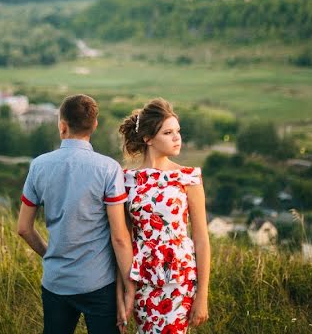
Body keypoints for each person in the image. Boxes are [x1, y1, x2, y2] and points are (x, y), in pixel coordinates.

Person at [17, 93, 135, 334]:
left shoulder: (39, 165)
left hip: (56, 281)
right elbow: (120, 237)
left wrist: (50, 254)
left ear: (62, 126)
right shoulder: (108, 169)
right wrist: (129, 284)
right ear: (94, 126)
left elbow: (24, 229)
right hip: (99, 283)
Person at [118, 98, 210, 333]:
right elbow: (122, 239)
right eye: (168, 132)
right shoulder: (127, 180)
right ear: (148, 138)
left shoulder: (188, 177)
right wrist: (122, 290)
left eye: (177, 131)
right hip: (140, 279)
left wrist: (202, 295)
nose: (177, 138)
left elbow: (201, 239)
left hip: (179, 280)